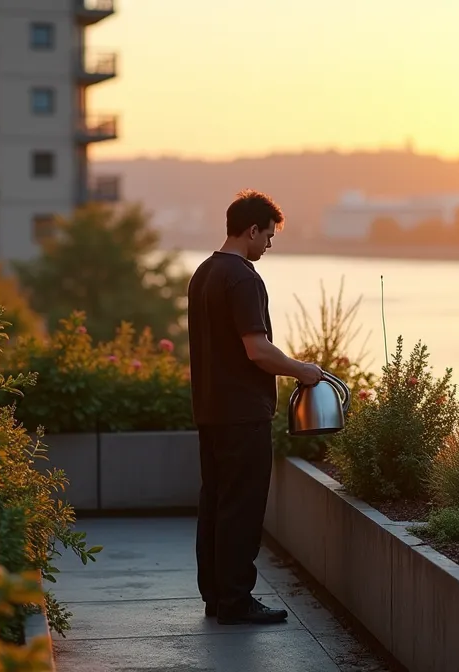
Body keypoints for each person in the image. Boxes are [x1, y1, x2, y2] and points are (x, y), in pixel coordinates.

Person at [187, 189, 324, 625]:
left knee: (215, 502)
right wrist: (302, 370)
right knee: (242, 507)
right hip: (243, 414)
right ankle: (235, 600)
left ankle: (217, 595)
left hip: (210, 411)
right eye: (267, 235)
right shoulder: (243, 278)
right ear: (251, 231)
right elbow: (257, 350)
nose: (269, 244)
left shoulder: (204, 273)